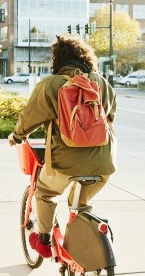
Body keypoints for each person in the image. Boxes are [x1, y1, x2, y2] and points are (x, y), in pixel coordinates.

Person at [8, 35, 116, 258]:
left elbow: (29, 118)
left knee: (46, 193)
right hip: (104, 164)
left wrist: (17, 136)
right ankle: (88, 236)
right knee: (81, 204)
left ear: (57, 60)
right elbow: (111, 116)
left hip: (64, 165)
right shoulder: (101, 82)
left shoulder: (51, 85)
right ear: (86, 58)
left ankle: (44, 241)